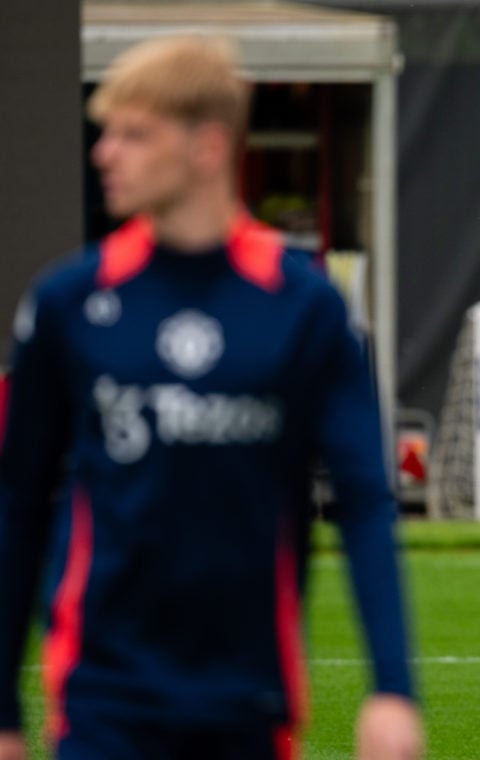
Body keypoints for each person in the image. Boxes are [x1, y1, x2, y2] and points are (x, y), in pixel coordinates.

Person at [0, 35, 422, 760]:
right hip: (103, 698)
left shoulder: (305, 309)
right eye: (106, 133)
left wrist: (393, 690)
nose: (105, 153)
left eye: (134, 133)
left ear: (207, 145)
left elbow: (362, 501)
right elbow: (17, 501)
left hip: (248, 700)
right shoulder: (70, 302)